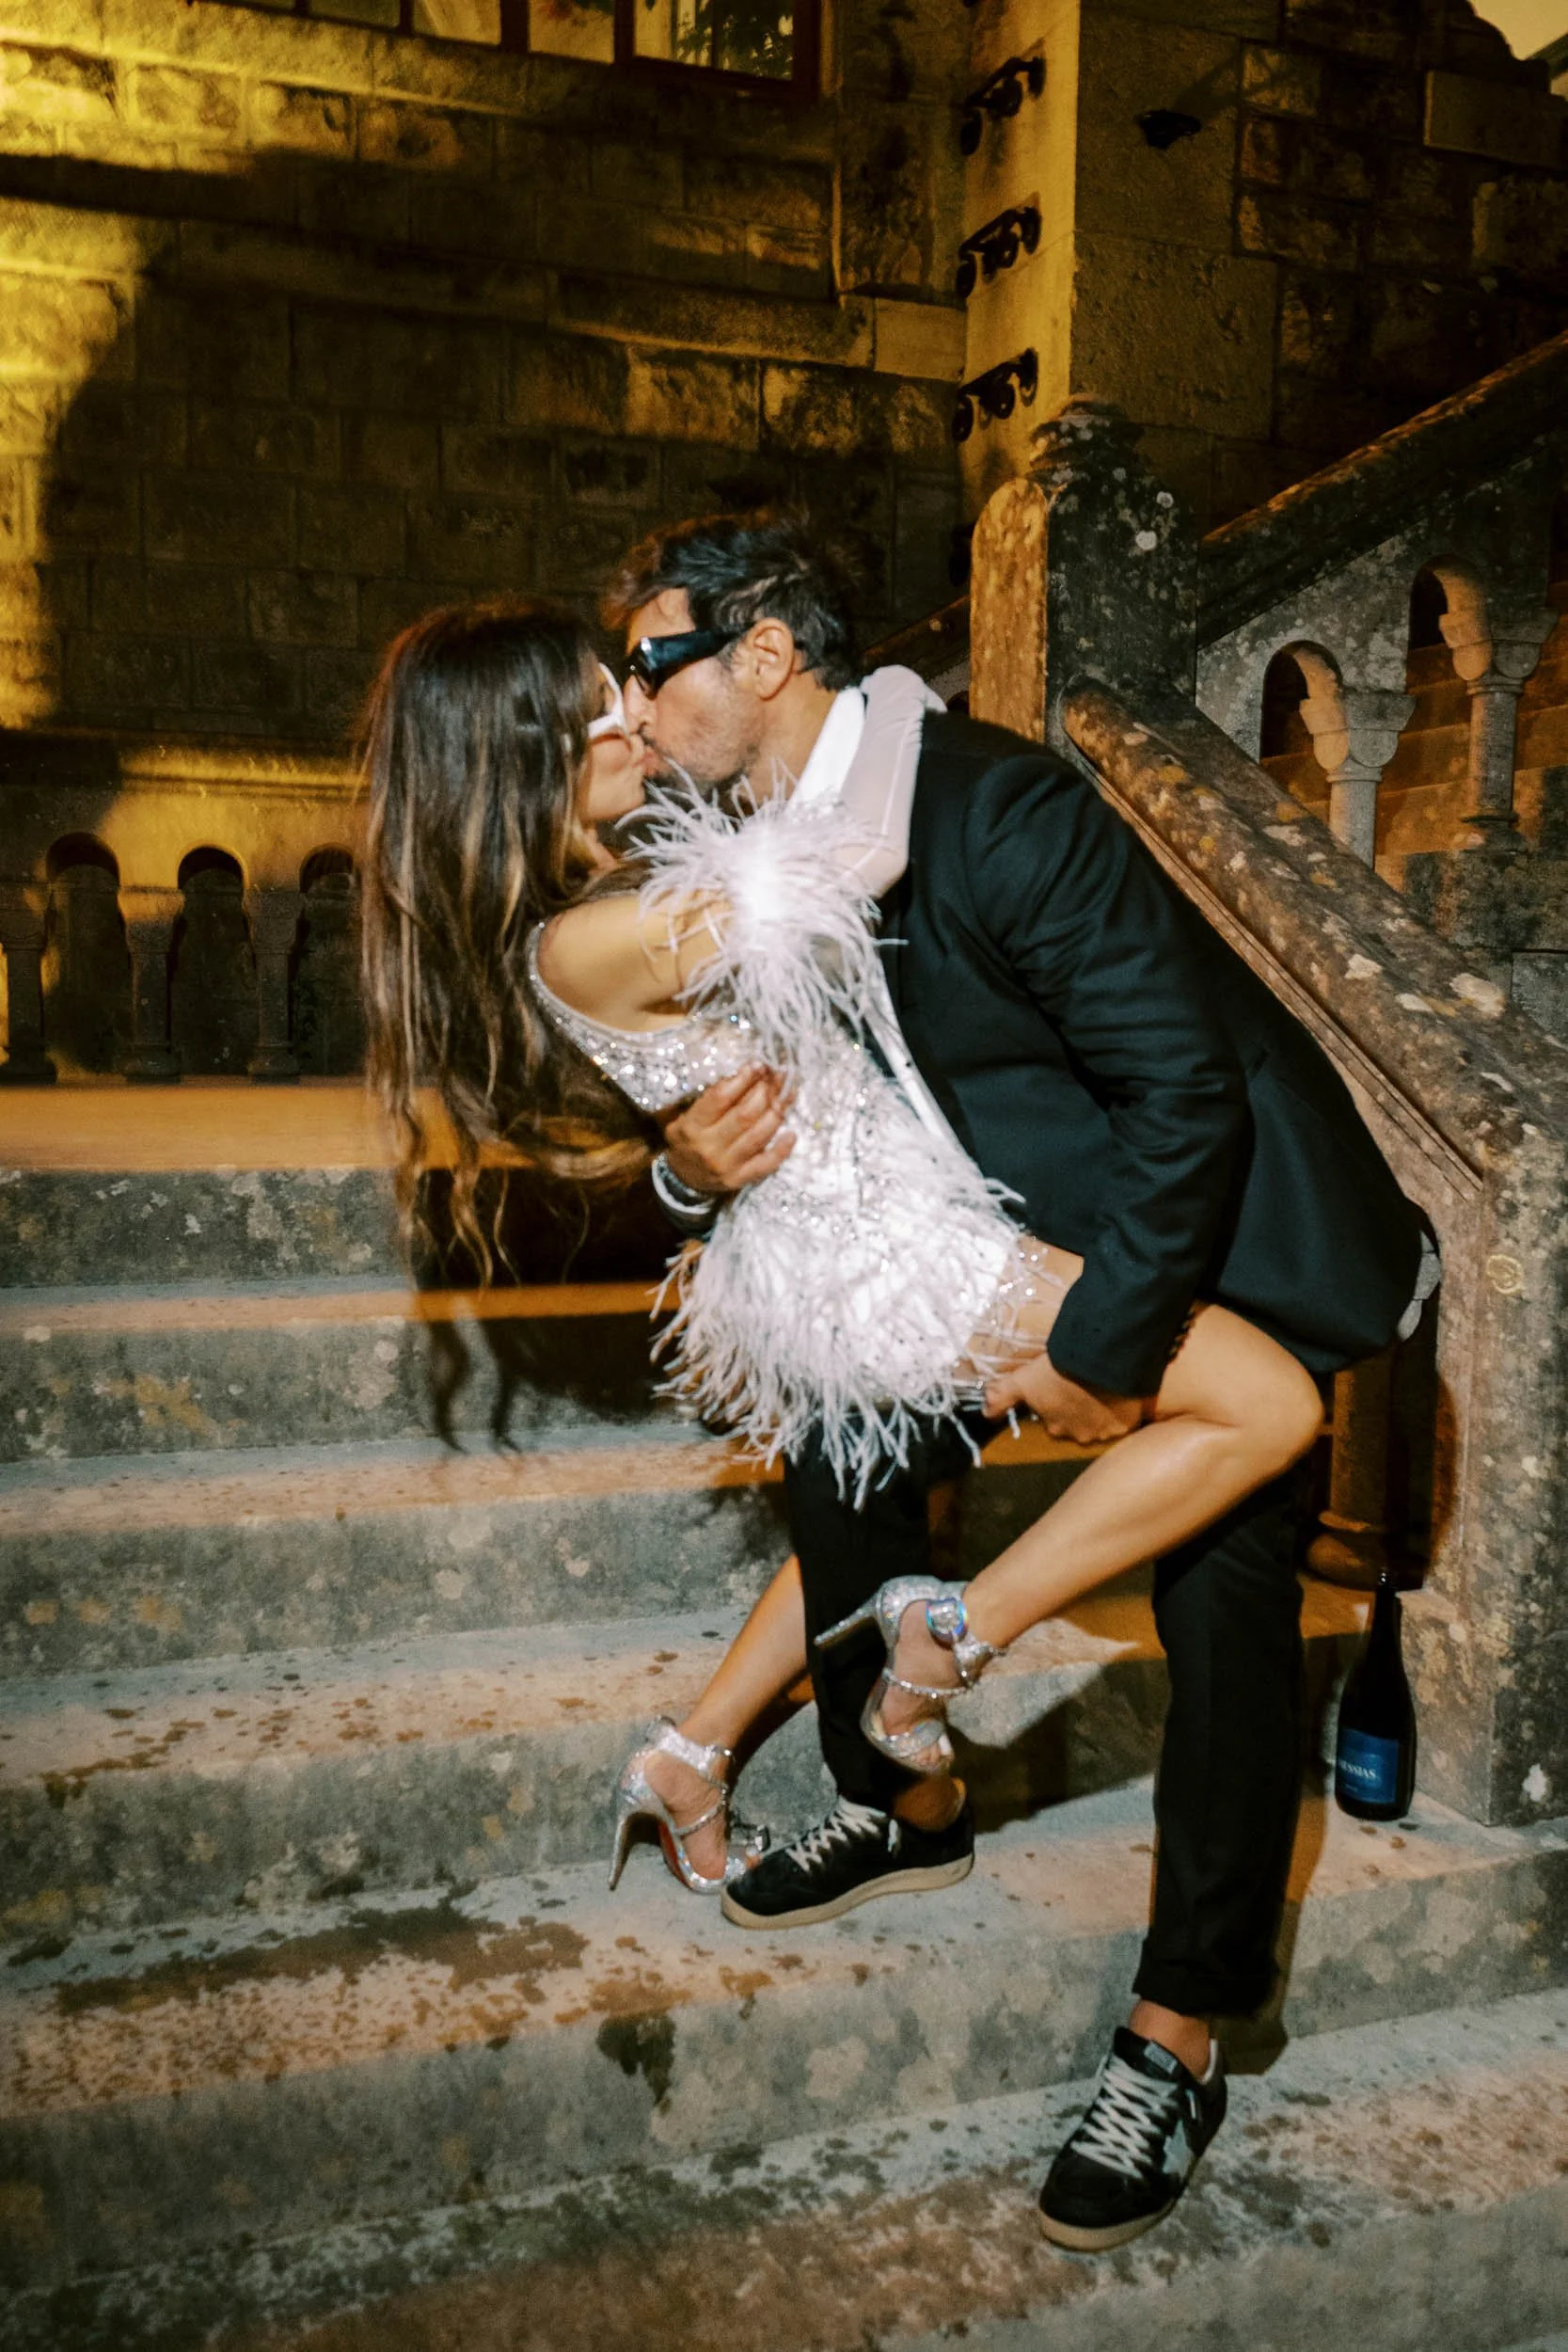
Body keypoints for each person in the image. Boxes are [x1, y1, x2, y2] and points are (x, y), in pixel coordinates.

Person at [599, 509, 1435, 2253]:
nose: (630, 696)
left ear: (762, 655)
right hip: (984, 1250)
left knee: (1228, 1603)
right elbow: (692, 1097)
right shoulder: (751, 847)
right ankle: (902, 1802)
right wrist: (693, 1163)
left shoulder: (994, 810)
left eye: (651, 658)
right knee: (841, 1465)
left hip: (1213, 1238)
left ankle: (1183, 2024)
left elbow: (1183, 1098)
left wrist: (1097, 1354)